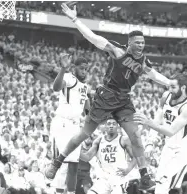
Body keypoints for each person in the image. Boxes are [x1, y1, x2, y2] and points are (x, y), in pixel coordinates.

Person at [45, 3, 170, 190]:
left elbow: (154, 76)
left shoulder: (143, 62)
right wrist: (75, 20)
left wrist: (169, 83)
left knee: (135, 134)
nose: (141, 46)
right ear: (130, 44)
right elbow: (93, 38)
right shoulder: (117, 51)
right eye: (137, 43)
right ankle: (57, 161)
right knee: (83, 134)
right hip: (106, 95)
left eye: (143, 43)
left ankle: (145, 175)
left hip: (124, 99)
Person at [134, 74, 187, 194]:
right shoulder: (166, 96)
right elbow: (158, 120)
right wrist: (150, 143)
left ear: (183, 88)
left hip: (183, 150)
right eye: (169, 87)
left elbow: (170, 131)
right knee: (160, 184)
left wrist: (147, 122)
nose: (170, 90)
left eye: (173, 87)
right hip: (168, 147)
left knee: (165, 181)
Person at [49, 54, 90, 194]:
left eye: (86, 69)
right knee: (59, 164)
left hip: (75, 126)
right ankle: (57, 191)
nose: (84, 71)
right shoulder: (68, 77)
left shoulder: (85, 86)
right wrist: (62, 69)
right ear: (75, 68)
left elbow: (87, 111)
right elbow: (56, 87)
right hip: (62, 122)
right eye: (82, 68)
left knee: (74, 164)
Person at [80, 118, 137, 194]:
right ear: (105, 126)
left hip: (118, 177)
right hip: (104, 177)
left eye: (114, 124)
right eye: (109, 124)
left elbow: (135, 157)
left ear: (117, 126)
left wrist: (128, 170)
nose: (111, 126)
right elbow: (87, 157)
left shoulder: (124, 139)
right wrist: (75, 151)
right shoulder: (99, 141)